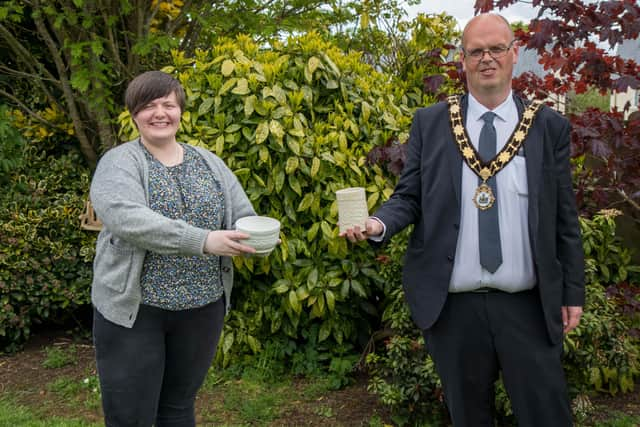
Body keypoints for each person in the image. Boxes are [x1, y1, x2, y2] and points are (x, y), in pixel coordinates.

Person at [342, 13, 585, 427]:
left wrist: (573, 291)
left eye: (496, 49)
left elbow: (564, 216)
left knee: (547, 415)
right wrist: (377, 225)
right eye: (475, 51)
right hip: (455, 307)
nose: (486, 58)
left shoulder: (547, 127)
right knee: (468, 418)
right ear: (463, 60)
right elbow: (409, 197)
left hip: (527, 303)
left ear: (515, 54)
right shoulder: (433, 123)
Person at [90, 70, 259, 426]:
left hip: (201, 310)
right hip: (135, 313)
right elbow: (127, 218)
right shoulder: (119, 163)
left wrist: (252, 235)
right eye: (148, 106)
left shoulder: (210, 163)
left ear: (180, 110)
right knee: (130, 417)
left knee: (178, 408)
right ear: (134, 115)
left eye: (168, 104)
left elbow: (241, 212)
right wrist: (203, 240)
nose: (159, 113)